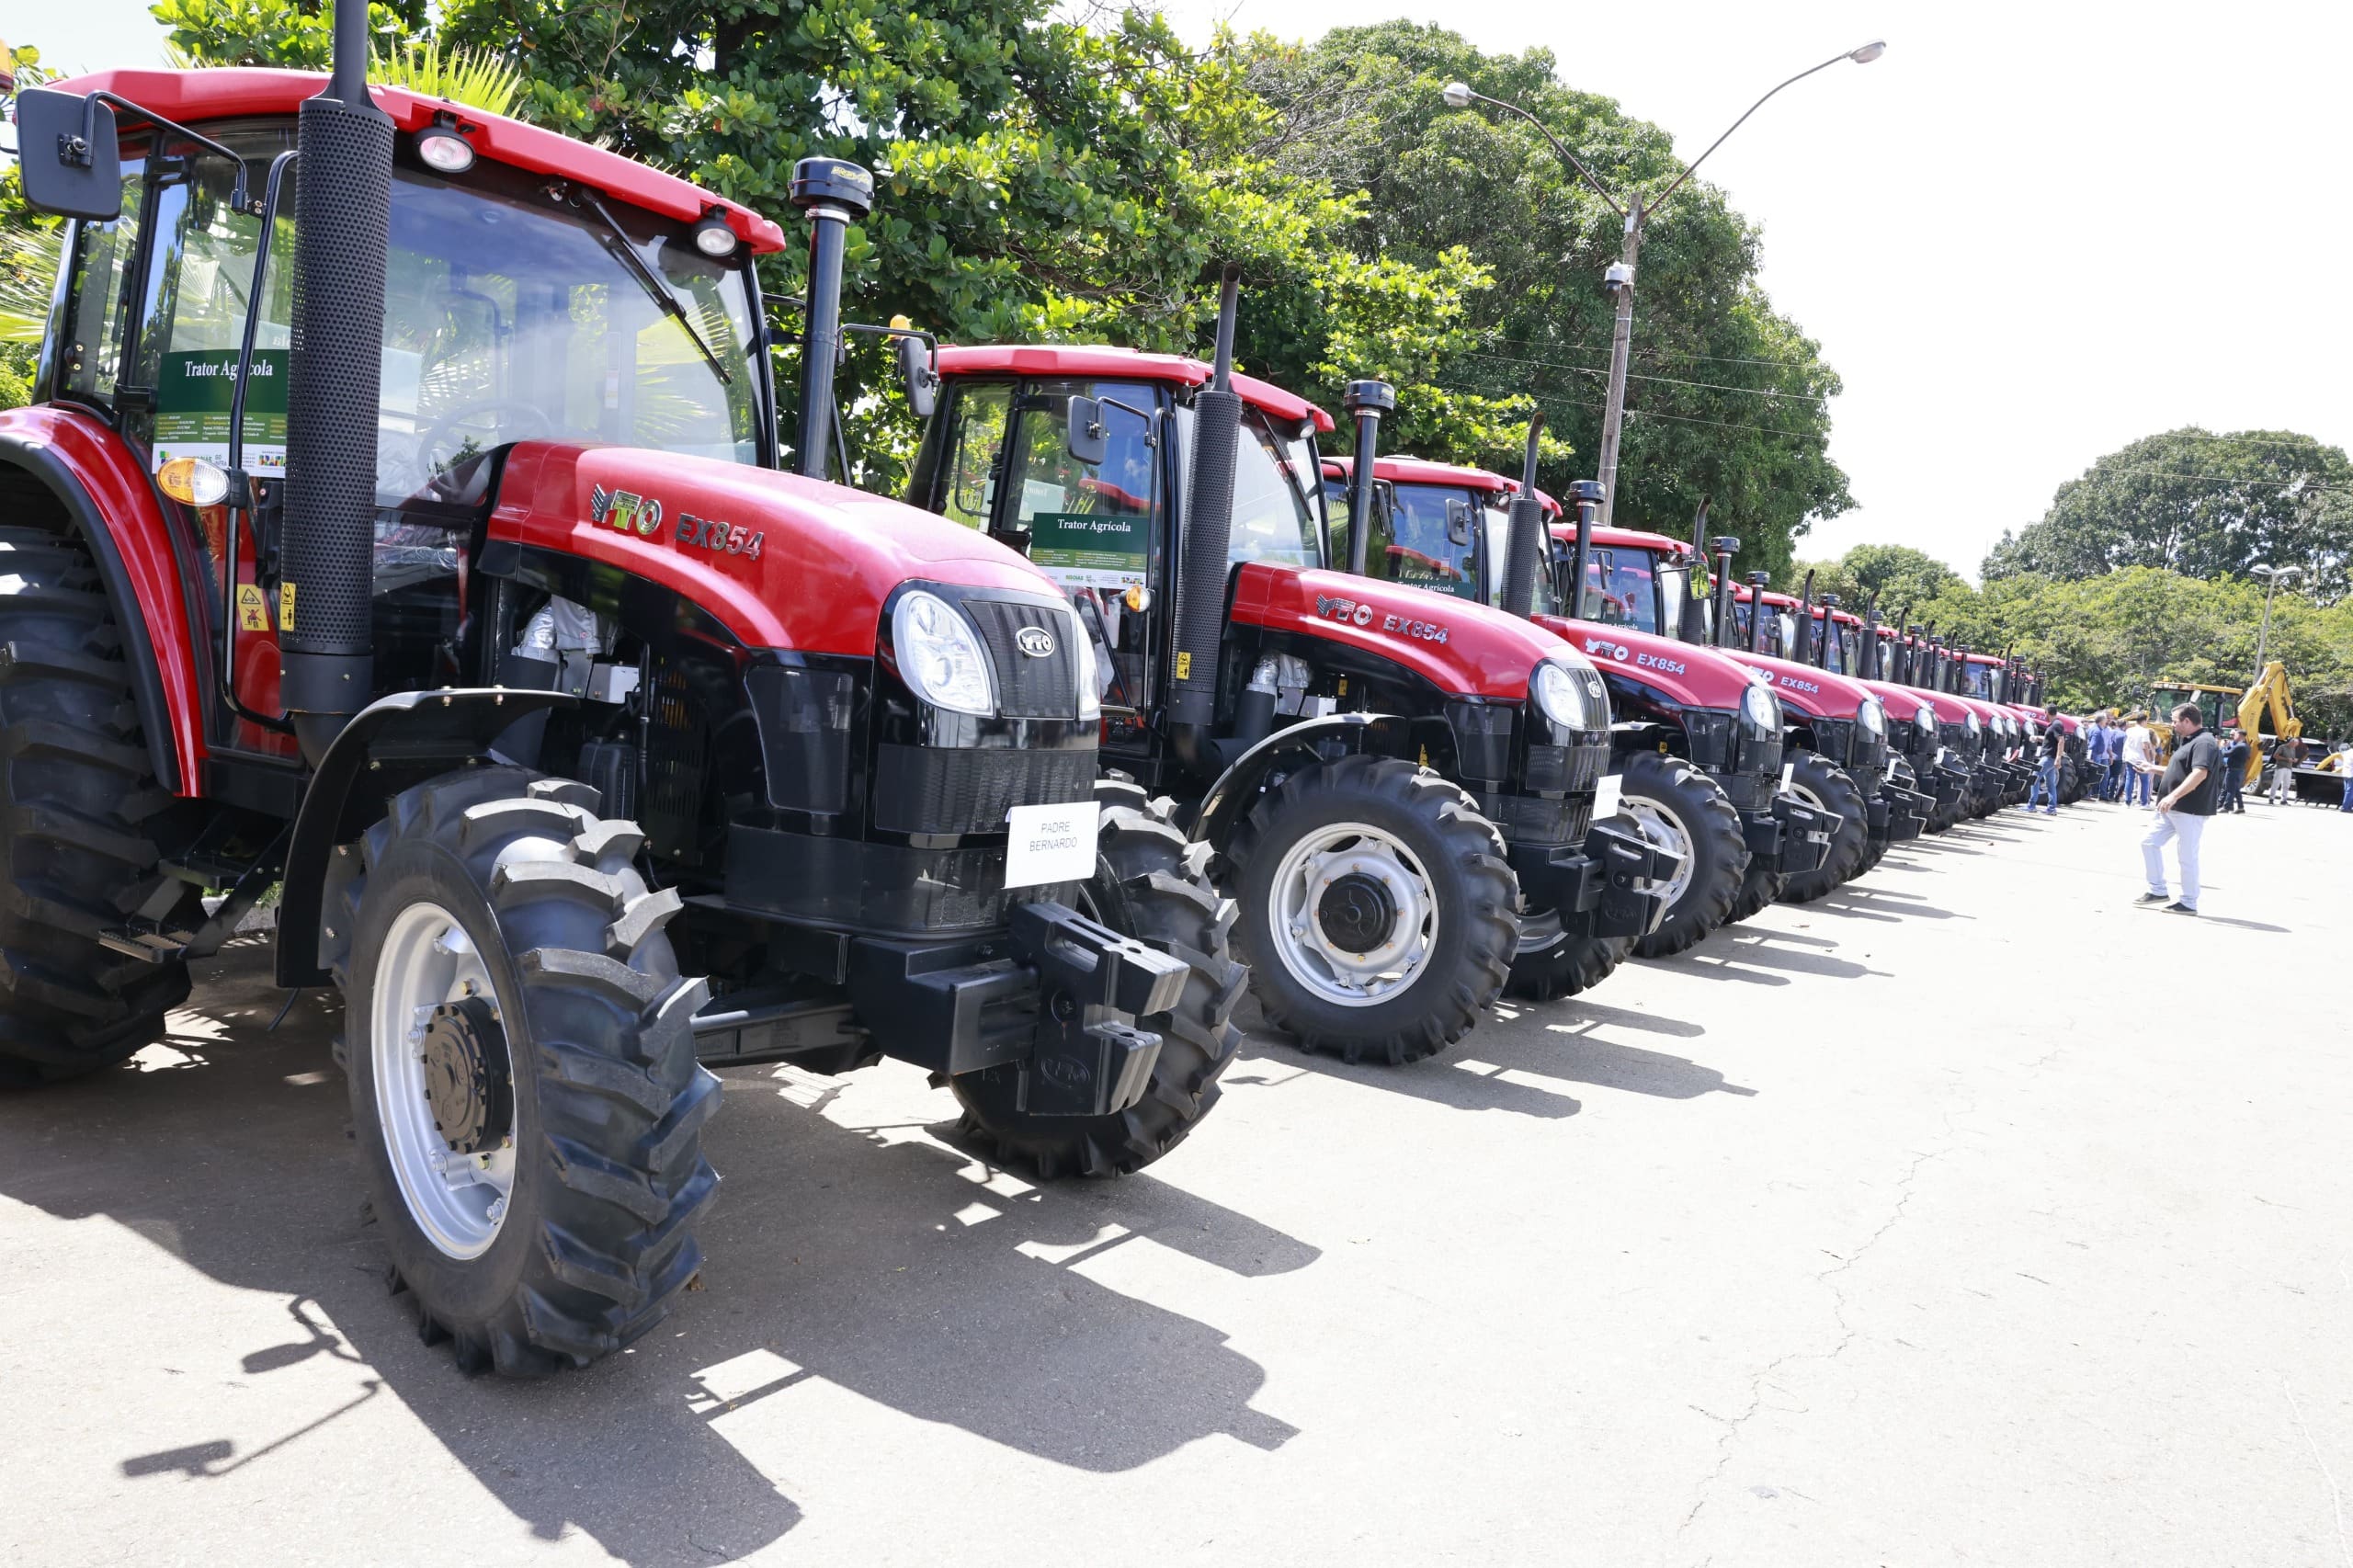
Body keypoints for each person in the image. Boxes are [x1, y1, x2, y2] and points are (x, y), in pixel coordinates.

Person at [2137, 703, 2220, 915]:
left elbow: (2199, 773)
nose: (2173, 725)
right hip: (2172, 808)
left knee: (2187, 857)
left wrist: (2173, 795)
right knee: (2149, 843)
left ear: (2187, 721)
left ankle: (2189, 902)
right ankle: (2158, 890)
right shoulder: (2191, 741)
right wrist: (2153, 768)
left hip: (2189, 809)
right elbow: (2181, 771)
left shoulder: (2204, 743)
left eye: (2175, 721)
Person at [2022, 715, 2063, 813]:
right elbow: (2048, 739)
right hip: (2050, 758)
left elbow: (2061, 741)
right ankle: (2051, 808)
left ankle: (2031, 805)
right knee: (2050, 783)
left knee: (2034, 777)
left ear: (2047, 713)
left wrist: (2058, 758)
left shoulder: (2056, 725)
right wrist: (2037, 738)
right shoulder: (2054, 725)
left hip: (2049, 758)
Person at [2121, 715, 2157, 807]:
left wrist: (2124, 756)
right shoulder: (2144, 732)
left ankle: (2127, 801)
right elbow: (2144, 747)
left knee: (2130, 778)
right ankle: (2144, 802)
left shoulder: (2129, 730)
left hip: (2130, 757)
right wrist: (2149, 761)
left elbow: (2127, 744)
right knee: (2144, 781)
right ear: (2144, 721)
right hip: (2141, 759)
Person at [2216, 726, 2249, 813]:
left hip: (2233, 769)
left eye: (2235, 734)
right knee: (2235, 789)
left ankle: (2227, 807)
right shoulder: (2245, 745)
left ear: (2241, 735)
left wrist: (2223, 747)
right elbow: (2234, 753)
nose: (2233, 736)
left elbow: (2226, 754)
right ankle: (2241, 807)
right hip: (2238, 769)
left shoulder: (2240, 746)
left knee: (2230, 789)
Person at [2268, 734, 2303, 806]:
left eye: (2296, 745)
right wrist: (2287, 759)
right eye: (2294, 745)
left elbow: (2292, 758)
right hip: (2281, 767)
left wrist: (2294, 760)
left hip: (2289, 768)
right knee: (2276, 783)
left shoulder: (2293, 749)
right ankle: (2271, 799)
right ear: (2291, 742)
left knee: (2286, 785)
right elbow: (2275, 756)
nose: (2295, 746)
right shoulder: (2282, 747)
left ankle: (2283, 800)